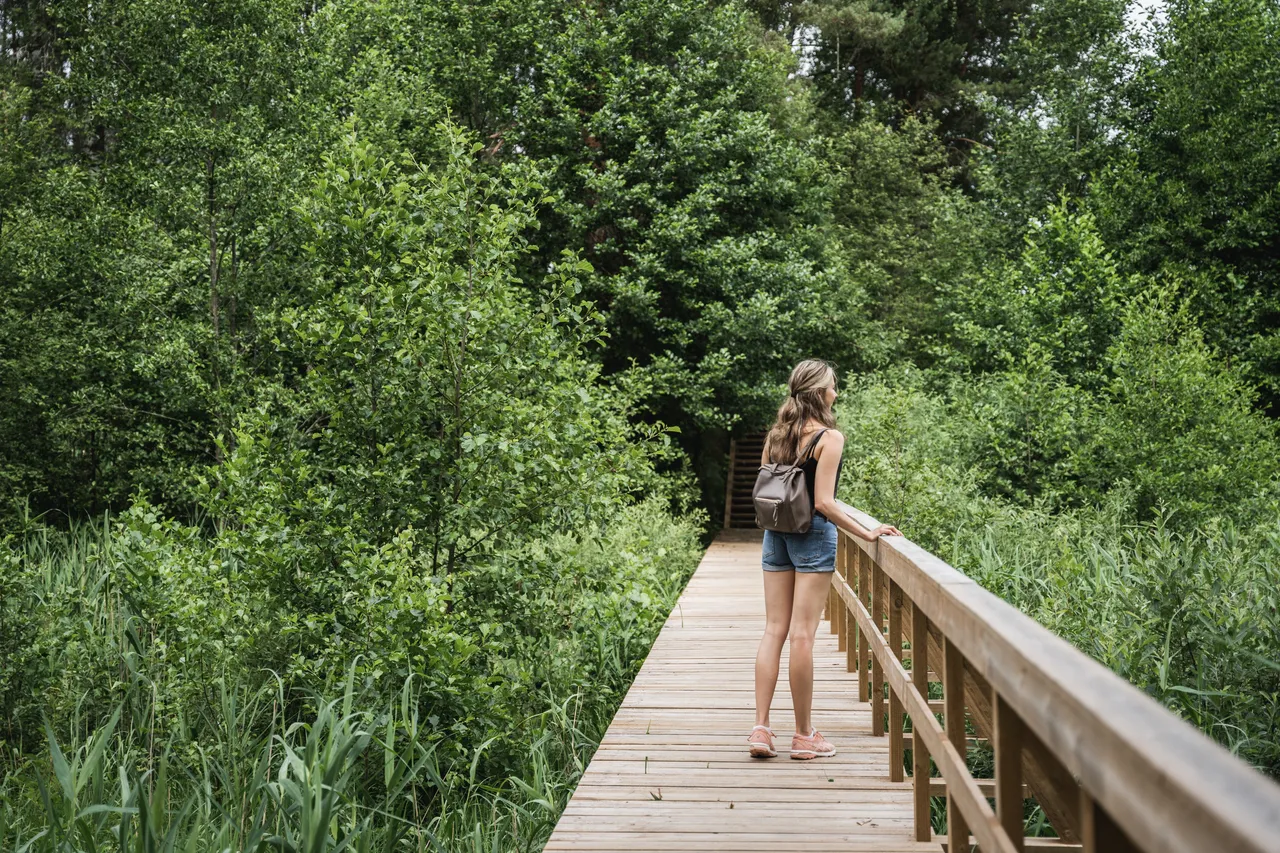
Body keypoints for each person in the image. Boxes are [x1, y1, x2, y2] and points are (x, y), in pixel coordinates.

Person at [747, 359, 901, 759]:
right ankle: (803, 735)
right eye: (833, 386)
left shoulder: (777, 434)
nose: (836, 391)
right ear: (819, 393)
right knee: (802, 635)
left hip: (774, 534)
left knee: (773, 630)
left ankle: (761, 729)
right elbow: (824, 503)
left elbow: (769, 484)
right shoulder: (829, 438)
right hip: (811, 535)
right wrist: (868, 531)